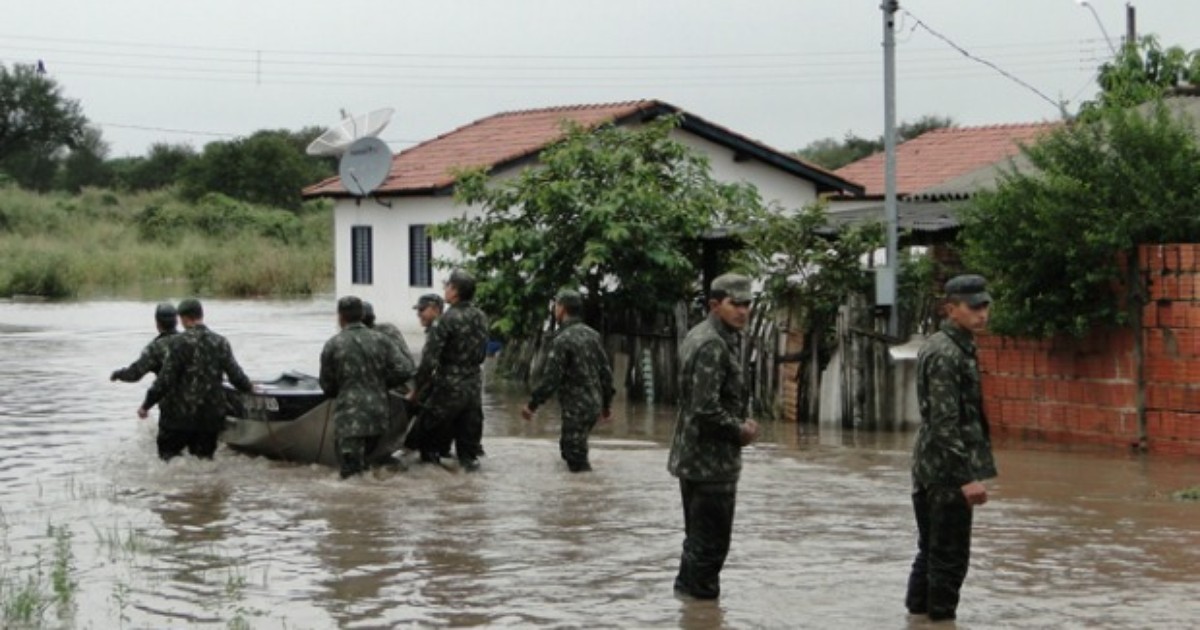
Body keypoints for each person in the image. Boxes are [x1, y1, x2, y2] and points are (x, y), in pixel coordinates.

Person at [905, 274, 998, 622]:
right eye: (974, 307)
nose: (982, 314)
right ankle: (941, 620)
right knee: (949, 557)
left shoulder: (953, 346)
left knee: (931, 552)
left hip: (932, 467)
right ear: (951, 309)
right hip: (945, 473)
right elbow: (945, 424)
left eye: (985, 305)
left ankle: (917, 619)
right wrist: (966, 478)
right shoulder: (946, 353)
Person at [668, 273, 760, 600]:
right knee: (710, 550)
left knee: (697, 544)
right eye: (735, 304)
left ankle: (688, 609)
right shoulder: (712, 344)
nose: (743, 311)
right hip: (710, 464)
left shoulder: (704, 336)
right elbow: (705, 409)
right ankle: (704, 614)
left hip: (695, 459)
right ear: (714, 304)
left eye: (747, 304)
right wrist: (741, 431)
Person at [139, 298, 254, 461]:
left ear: (184, 318)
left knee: (169, 464)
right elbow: (236, 376)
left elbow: (164, 381)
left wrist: (146, 405)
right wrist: (250, 388)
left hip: (178, 419)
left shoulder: (177, 343)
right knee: (204, 465)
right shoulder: (220, 342)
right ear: (201, 315)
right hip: (209, 420)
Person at [320, 296, 415, 479]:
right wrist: (381, 383)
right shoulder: (381, 339)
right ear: (362, 314)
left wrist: (343, 389)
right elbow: (406, 369)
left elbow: (326, 385)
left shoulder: (333, 344)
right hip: (378, 416)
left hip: (350, 419)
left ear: (340, 317)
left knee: (350, 476)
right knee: (368, 466)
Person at [521, 289, 615, 472]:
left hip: (577, 407)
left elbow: (551, 380)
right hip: (593, 404)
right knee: (569, 449)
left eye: (556, 305)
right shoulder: (593, 335)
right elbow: (606, 373)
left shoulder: (562, 340)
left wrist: (532, 405)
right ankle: (576, 494)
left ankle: (587, 495)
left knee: (575, 457)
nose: (554, 309)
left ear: (562, 308)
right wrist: (606, 406)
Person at [412, 270, 489, 471]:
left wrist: (416, 390)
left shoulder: (445, 320)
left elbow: (429, 362)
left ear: (455, 291)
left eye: (447, 286)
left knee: (428, 444)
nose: (445, 290)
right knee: (469, 454)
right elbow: (482, 353)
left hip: (448, 388)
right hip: (473, 386)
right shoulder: (481, 316)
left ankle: (440, 495)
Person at [403, 293, 445, 456]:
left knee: (419, 441)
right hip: (460, 392)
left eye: (421, 310)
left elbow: (428, 365)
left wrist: (415, 391)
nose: (418, 314)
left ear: (435, 309)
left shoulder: (437, 328)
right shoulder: (447, 325)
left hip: (443, 393)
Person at [111, 302, 178, 383]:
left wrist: (117, 374)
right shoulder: (190, 340)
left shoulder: (155, 348)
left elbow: (134, 374)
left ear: (157, 323)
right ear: (176, 322)